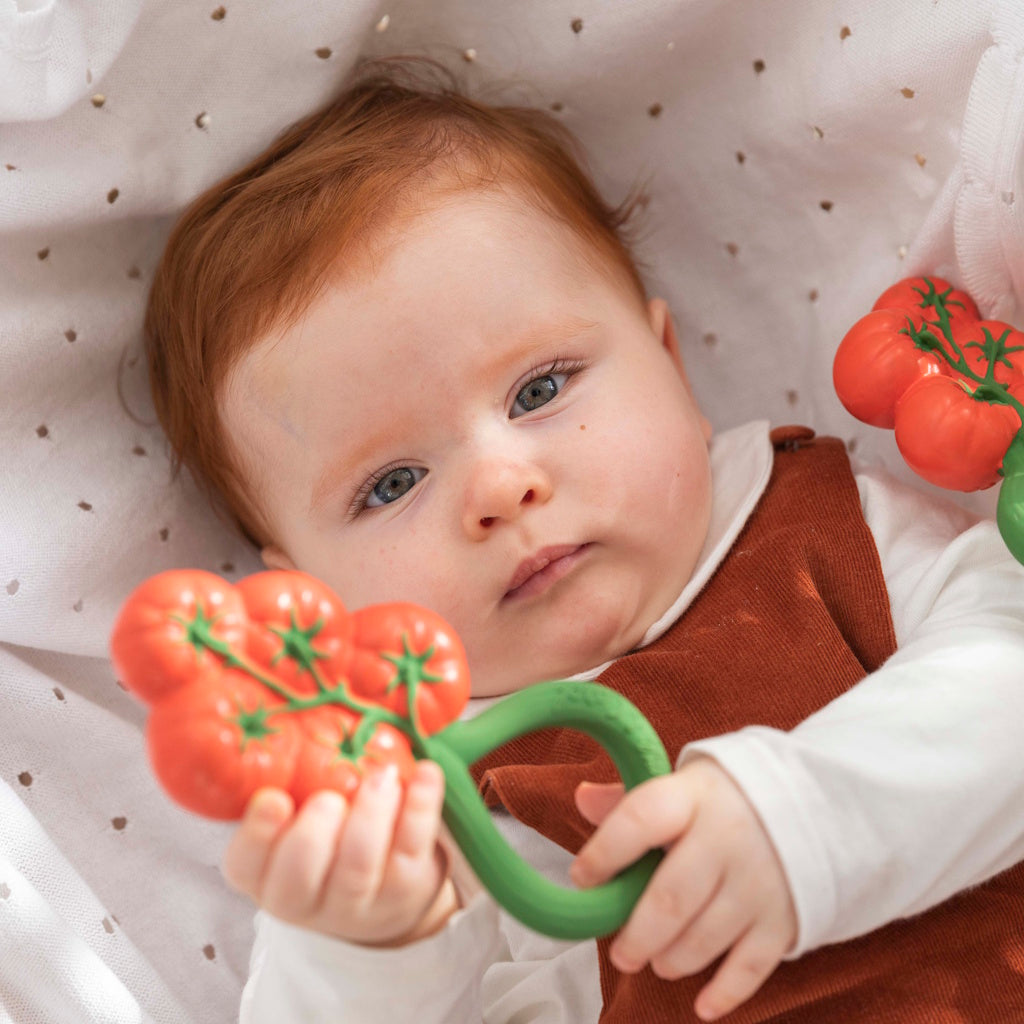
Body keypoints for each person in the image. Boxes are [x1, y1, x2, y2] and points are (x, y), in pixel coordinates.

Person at [144, 61, 1024, 1023]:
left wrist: (805, 820)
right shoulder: (430, 795)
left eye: (541, 389)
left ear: (671, 368)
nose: (500, 486)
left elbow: (1006, 677)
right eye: (391, 485)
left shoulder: (822, 520)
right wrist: (364, 947)